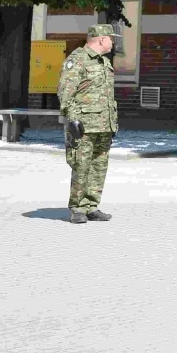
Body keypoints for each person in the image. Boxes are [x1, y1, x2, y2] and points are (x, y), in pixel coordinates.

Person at [58, 24, 119, 224]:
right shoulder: (77, 60)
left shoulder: (104, 62)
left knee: (99, 167)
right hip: (84, 126)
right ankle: (77, 208)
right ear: (101, 39)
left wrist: (112, 121)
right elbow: (65, 93)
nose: (113, 41)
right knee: (81, 166)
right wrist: (72, 119)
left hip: (103, 124)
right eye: (111, 38)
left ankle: (92, 206)